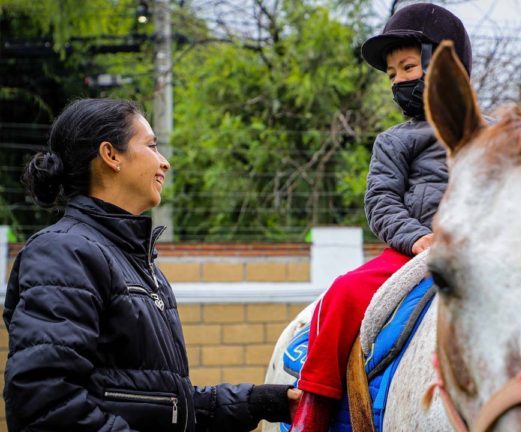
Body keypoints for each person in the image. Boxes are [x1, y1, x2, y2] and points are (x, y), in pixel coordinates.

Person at [4, 98, 300, 431]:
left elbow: (166, 404)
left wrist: (259, 402)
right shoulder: (63, 252)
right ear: (110, 155)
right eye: (152, 146)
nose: (165, 163)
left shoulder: (136, 262)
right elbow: (44, 404)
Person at [289, 4, 473, 431]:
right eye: (392, 74)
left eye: (408, 67)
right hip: (412, 255)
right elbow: (382, 202)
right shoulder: (395, 140)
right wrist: (416, 238)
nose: (398, 81)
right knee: (344, 291)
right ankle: (313, 405)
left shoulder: (489, 132)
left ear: (445, 64)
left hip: (481, 250)